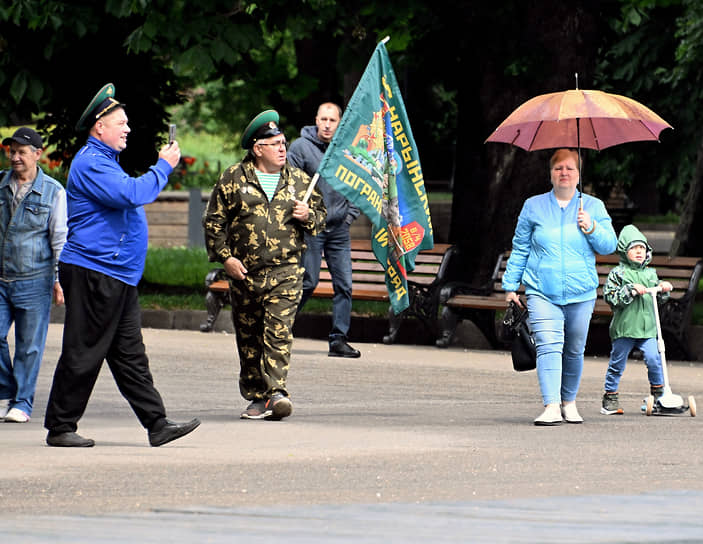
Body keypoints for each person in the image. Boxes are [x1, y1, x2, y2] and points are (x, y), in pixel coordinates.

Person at [43, 83, 200, 447]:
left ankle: (157, 424)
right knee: (83, 350)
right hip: (95, 271)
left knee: (129, 353)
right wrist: (164, 165)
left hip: (116, 274)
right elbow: (133, 193)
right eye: (121, 123)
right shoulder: (92, 162)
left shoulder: (104, 161)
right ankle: (60, 426)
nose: (128, 128)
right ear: (100, 127)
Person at [203, 110, 326, 420]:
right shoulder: (234, 178)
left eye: (283, 142)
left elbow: (321, 218)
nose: (282, 149)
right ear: (257, 148)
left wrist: (307, 216)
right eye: (274, 144)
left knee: (278, 332)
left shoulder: (299, 180)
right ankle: (257, 396)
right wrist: (225, 258)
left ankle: (277, 393)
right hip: (245, 274)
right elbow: (213, 221)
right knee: (249, 338)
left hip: (286, 272)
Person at [502, 148, 617, 426]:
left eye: (570, 168)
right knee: (548, 346)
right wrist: (510, 286)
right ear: (550, 173)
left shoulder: (593, 206)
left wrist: (590, 227)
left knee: (575, 348)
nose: (564, 173)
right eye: (558, 168)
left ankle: (569, 402)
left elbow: (609, 245)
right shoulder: (533, 206)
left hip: (582, 291)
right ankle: (551, 405)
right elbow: (520, 248)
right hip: (542, 289)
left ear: (578, 174)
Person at [0, 128, 67, 423]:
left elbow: (59, 239)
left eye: (21, 152)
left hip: (35, 279)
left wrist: (58, 279)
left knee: (29, 346)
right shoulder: (0, 185)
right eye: (12, 151)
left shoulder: (53, 191)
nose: (15, 157)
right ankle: (4, 393)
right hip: (1, 277)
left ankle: (22, 403)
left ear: (38, 154)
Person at [288, 102, 361, 358]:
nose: (328, 124)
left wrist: (349, 215)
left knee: (345, 285)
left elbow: (358, 184)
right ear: (316, 120)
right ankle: (280, 328)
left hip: (339, 229)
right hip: (312, 227)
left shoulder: (347, 150)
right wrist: (304, 214)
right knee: (309, 281)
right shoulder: (300, 148)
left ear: (339, 123)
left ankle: (338, 339)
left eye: (333, 120)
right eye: (324, 119)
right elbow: (290, 185)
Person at [600, 224, 672, 415]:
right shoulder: (619, 274)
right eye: (634, 248)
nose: (639, 252)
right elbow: (611, 297)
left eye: (642, 248)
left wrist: (662, 289)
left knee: (654, 359)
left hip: (648, 328)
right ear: (624, 251)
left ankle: (659, 397)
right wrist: (629, 290)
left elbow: (657, 299)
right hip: (625, 328)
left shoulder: (650, 273)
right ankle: (610, 397)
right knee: (618, 362)